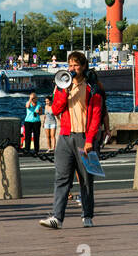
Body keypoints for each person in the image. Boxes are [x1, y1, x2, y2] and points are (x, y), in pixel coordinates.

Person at [39, 51, 104, 229]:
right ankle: (57, 218)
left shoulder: (92, 87)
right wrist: (63, 91)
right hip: (66, 136)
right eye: (70, 65)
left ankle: (87, 215)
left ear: (83, 67)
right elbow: (56, 109)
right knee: (62, 178)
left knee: (86, 179)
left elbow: (96, 115)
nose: (73, 69)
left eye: (76, 65)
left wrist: (90, 139)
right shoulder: (62, 85)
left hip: (84, 137)